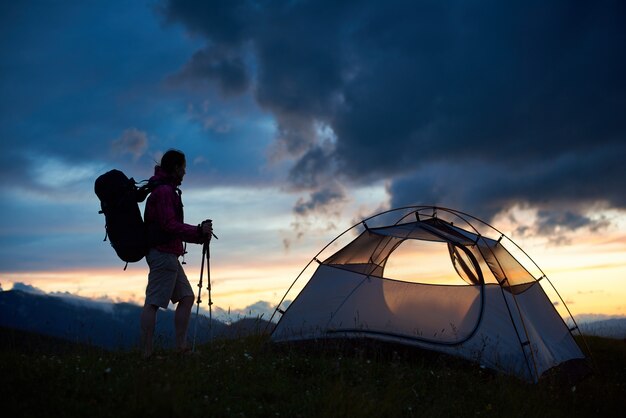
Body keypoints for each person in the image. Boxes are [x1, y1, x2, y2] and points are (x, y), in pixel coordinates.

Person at [140, 149, 213, 358]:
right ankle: (147, 354)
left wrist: (199, 235)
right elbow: (169, 225)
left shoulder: (165, 190)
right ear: (176, 168)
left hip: (167, 254)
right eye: (183, 168)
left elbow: (172, 227)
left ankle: (181, 348)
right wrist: (198, 232)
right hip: (163, 254)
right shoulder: (164, 192)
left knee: (187, 296)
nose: (185, 173)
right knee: (153, 302)